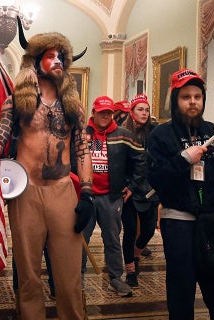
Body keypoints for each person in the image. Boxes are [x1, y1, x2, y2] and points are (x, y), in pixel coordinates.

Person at [0, 27, 93, 319]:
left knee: (69, 276)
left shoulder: (73, 105)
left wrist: (87, 193)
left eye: (61, 57)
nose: (57, 62)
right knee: (28, 275)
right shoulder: (17, 100)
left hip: (63, 191)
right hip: (25, 193)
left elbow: (83, 147)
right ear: (37, 61)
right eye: (50, 56)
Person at [147, 68, 214, 319]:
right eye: (186, 97)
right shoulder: (160, 135)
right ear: (175, 100)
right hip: (179, 223)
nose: (193, 101)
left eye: (197, 96)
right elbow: (156, 179)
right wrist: (184, 158)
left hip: (212, 223)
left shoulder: (212, 132)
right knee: (181, 289)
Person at [81, 95, 146, 297]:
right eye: (101, 112)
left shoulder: (124, 135)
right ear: (93, 113)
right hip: (86, 196)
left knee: (112, 239)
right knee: (81, 239)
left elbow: (141, 160)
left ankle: (115, 279)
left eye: (108, 112)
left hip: (112, 197)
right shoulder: (82, 134)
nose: (105, 116)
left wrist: (132, 186)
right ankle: (77, 279)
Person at [120, 93, 159, 288]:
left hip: (150, 189)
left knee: (148, 230)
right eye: (140, 109)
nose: (144, 113)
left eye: (146, 109)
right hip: (129, 189)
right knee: (130, 231)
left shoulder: (154, 132)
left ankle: (136, 255)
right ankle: (131, 270)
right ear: (132, 111)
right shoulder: (123, 132)